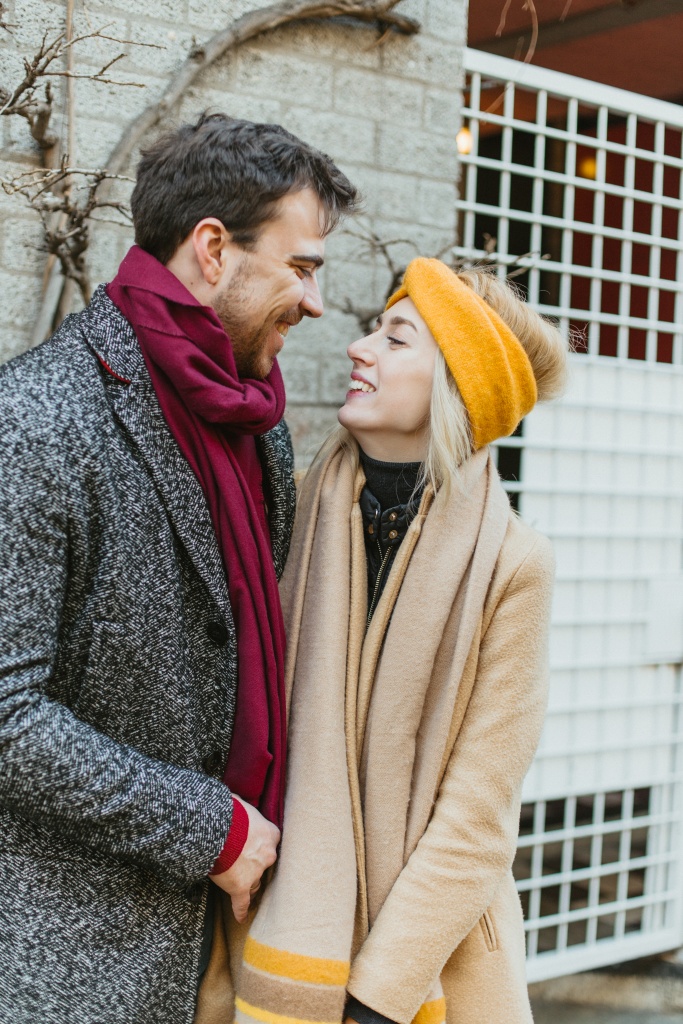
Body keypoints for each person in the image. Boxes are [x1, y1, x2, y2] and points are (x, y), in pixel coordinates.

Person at [0, 112, 358, 1024]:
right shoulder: (35, 419)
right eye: (301, 266)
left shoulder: (258, 426)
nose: (315, 301)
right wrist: (213, 830)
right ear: (212, 249)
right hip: (67, 965)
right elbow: (6, 712)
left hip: (223, 949)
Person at [223, 258, 568, 1024]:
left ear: (456, 383)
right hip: (270, 919)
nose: (359, 347)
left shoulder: (514, 566)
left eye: (395, 338)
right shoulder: (287, 511)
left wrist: (377, 998)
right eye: (373, 330)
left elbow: (477, 817)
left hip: (427, 968)